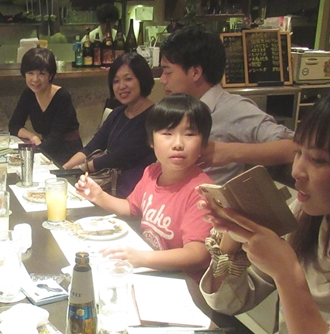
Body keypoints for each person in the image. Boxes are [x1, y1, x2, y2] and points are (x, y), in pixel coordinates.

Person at [198, 89, 330, 334]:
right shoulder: (307, 216)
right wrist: (233, 235)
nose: (296, 171)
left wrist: (288, 274)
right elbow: (228, 303)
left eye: (318, 160)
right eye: (298, 152)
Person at [75, 94, 213, 282]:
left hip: (181, 281)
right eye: (167, 133)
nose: (178, 144)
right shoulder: (152, 172)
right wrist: (98, 196)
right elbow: (132, 208)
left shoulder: (202, 192)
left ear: (203, 143)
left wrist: (141, 258)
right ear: (151, 140)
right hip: (151, 271)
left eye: (189, 134)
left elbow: (197, 255)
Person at [159, 25, 295, 184]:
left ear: (195, 72)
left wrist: (231, 152)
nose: (162, 79)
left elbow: (294, 147)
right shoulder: (177, 108)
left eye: (168, 72)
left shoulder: (233, 109)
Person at [63, 53, 156, 198]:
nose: (121, 86)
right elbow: (94, 145)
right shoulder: (117, 113)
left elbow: (121, 156)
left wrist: (82, 167)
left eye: (128, 79)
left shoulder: (154, 116)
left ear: (142, 79)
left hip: (133, 191)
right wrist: (66, 167)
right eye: (116, 81)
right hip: (108, 185)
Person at [8, 47, 82, 166]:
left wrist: (33, 153)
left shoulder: (62, 96)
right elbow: (14, 125)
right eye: (30, 73)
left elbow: (56, 138)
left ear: (50, 75)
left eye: (41, 73)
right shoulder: (28, 94)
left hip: (67, 155)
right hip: (46, 150)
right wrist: (32, 136)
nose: (35, 79)